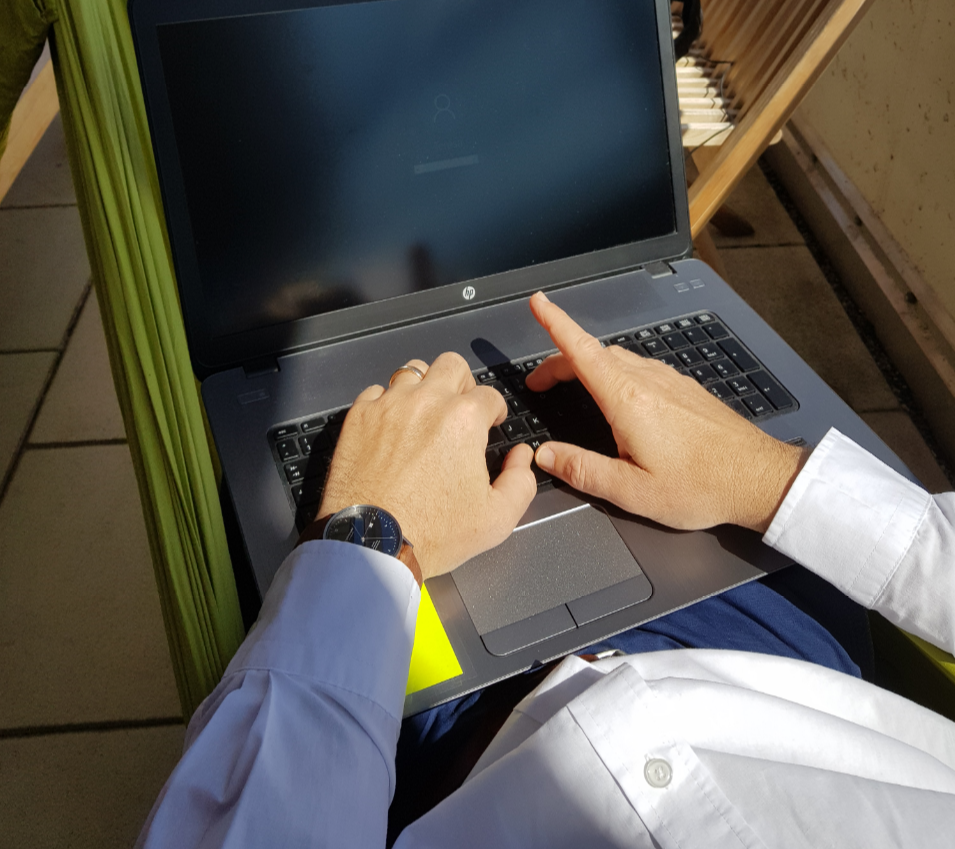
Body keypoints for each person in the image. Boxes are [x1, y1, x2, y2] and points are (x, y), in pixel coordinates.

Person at [137, 292, 955, 848]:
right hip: (799, 683)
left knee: (266, 511)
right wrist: (764, 476)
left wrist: (370, 532)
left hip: (467, 766)